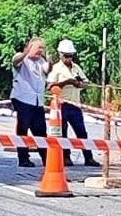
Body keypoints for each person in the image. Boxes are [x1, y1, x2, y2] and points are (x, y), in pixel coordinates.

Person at [47, 39, 98, 167]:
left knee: (81, 132)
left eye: (70, 56)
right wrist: (66, 82)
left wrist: (79, 84)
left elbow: (86, 83)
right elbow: (50, 86)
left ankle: (88, 157)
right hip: (61, 105)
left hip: (75, 104)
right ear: (60, 54)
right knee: (63, 132)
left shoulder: (76, 68)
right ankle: (66, 157)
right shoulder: (56, 69)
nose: (69, 58)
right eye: (66, 56)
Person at [11, 37, 50, 169]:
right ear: (30, 47)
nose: (41, 51)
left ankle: (47, 159)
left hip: (37, 102)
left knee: (41, 131)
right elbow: (15, 61)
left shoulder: (41, 61)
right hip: (23, 99)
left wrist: (50, 63)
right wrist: (25, 53)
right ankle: (23, 158)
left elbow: (47, 69)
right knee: (23, 129)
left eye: (42, 48)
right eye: (38, 48)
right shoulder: (22, 58)